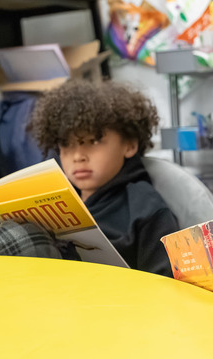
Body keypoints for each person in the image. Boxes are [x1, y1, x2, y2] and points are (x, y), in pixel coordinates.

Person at [26, 79, 179, 276]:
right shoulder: (52, 203)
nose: (78, 156)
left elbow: (167, 285)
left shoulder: (144, 208)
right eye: (66, 144)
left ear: (130, 145)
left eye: (94, 141)